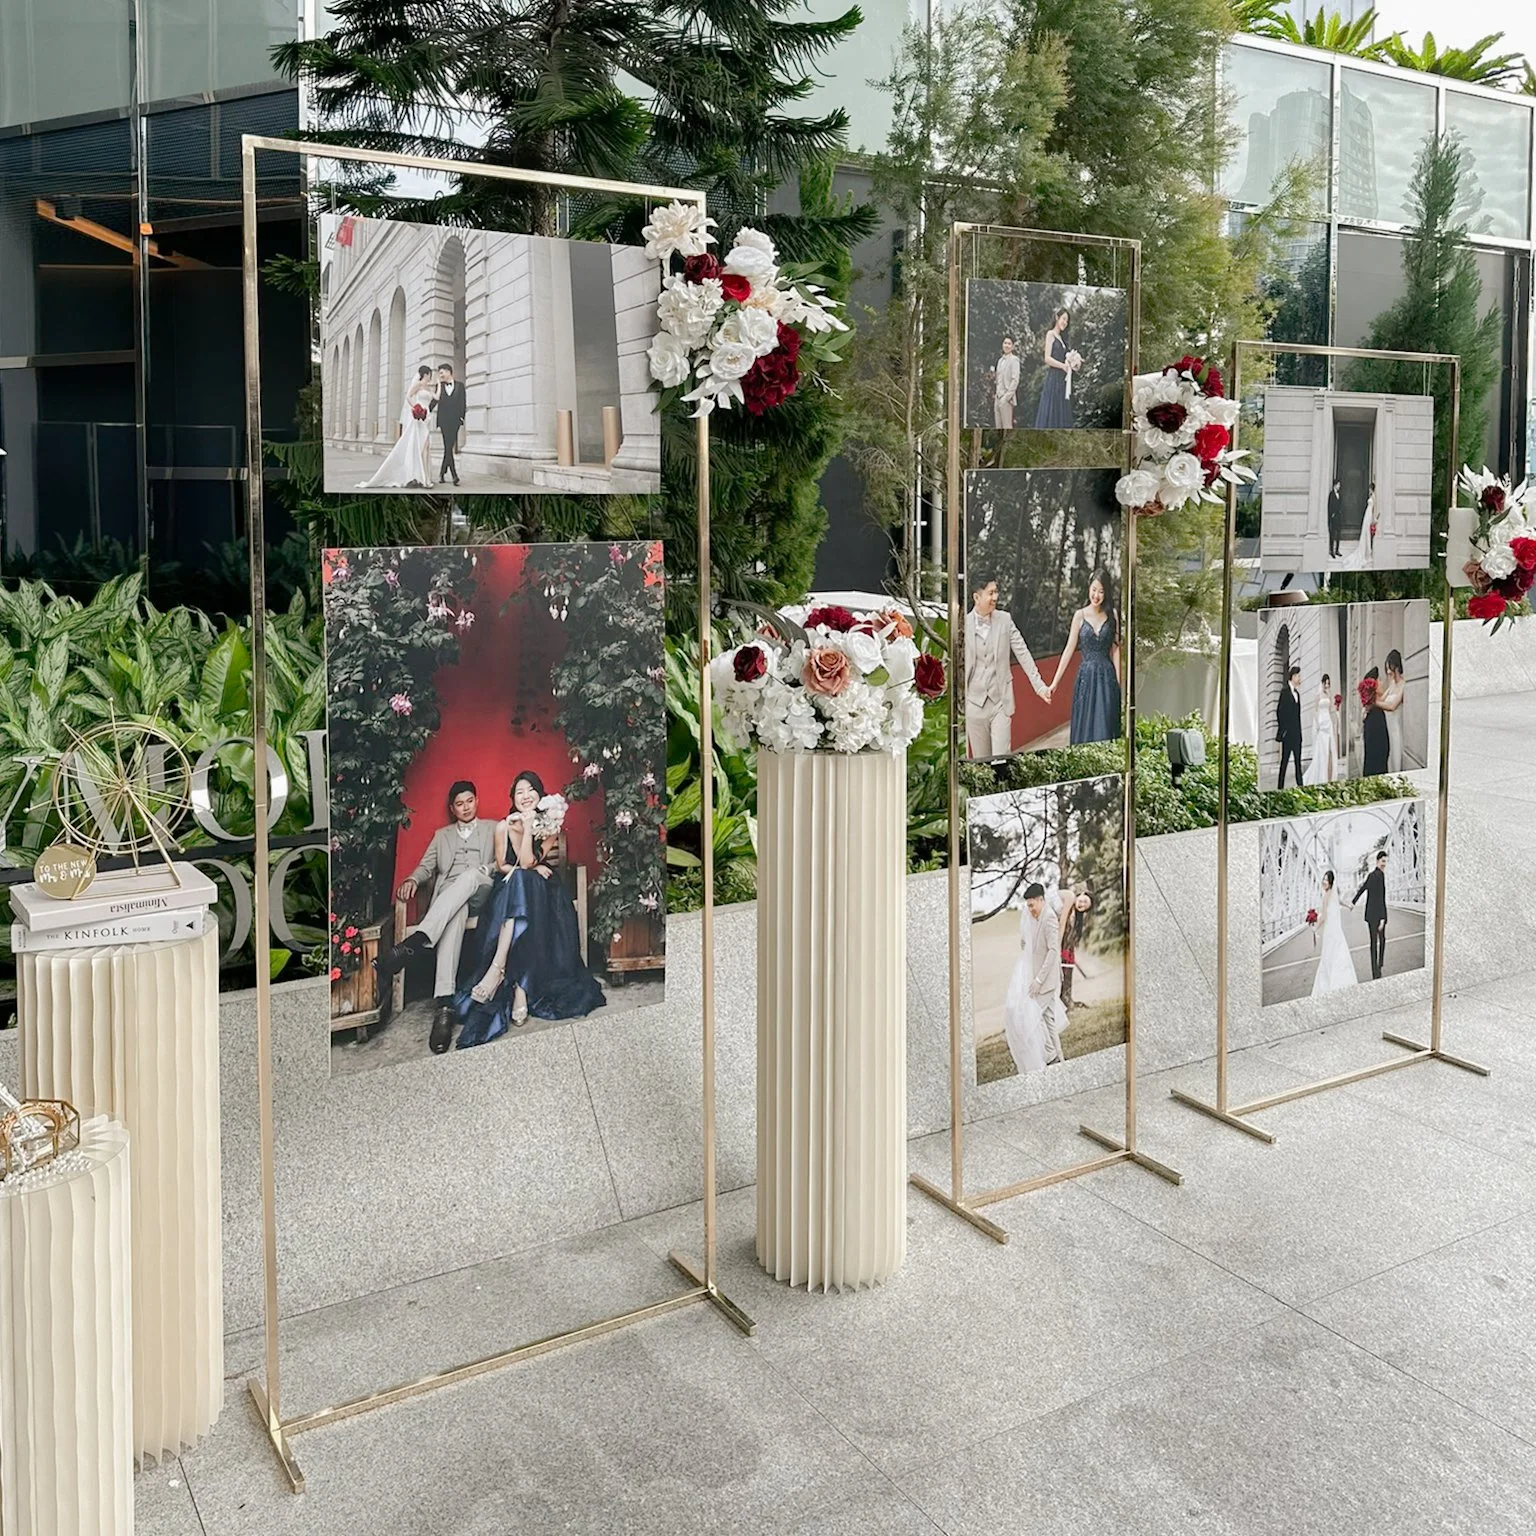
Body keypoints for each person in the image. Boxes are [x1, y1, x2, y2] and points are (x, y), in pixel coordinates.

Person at [452, 770, 606, 1049]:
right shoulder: (502, 826)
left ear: (540, 794)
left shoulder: (550, 827)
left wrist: (529, 827)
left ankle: (501, 973)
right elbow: (503, 866)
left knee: (525, 877)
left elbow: (527, 860)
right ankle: (519, 988)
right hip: (511, 892)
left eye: (531, 790)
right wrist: (527, 868)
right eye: (520, 792)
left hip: (544, 895)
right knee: (521, 879)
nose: (526, 796)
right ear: (512, 797)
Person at [373, 780, 497, 1055]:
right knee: (454, 915)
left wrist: (486, 868)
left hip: (481, 892)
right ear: (452, 809)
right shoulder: (442, 835)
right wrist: (412, 880)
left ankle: (414, 943)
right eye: (459, 804)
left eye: (469, 801)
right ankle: (444, 1006)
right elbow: (426, 866)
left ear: (476, 801)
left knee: (470, 877)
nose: (465, 807)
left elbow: (502, 860)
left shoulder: (492, 827)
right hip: (451, 903)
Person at [964, 578, 1049, 758]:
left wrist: (1039, 685)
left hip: (1000, 702)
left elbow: (1023, 653)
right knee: (981, 764)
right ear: (976, 597)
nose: (995, 597)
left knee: (1001, 760)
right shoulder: (963, 624)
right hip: (974, 703)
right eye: (990, 593)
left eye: (996, 592)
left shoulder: (1005, 620)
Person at [1045, 570, 1120, 746]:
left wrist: (1118, 682)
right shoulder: (1080, 615)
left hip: (1106, 677)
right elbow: (1069, 649)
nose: (1096, 595)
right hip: (1086, 678)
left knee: (1105, 724)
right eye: (1094, 589)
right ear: (1089, 588)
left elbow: (1116, 649)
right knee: (1085, 726)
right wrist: (1054, 683)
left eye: (1101, 591)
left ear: (1106, 592)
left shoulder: (1113, 615)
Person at [1001, 883, 1065, 1074]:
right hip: (1036, 977)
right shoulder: (1034, 918)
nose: (1030, 909)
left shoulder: (1050, 919)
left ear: (1041, 900)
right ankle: (1057, 1058)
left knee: (1029, 1019)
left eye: (1032, 905)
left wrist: (1039, 980)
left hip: (1046, 981)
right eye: (1027, 906)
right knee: (1049, 1020)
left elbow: (1054, 951)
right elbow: (1031, 945)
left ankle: (1046, 1057)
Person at [358, 365, 435, 488]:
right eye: (430, 374)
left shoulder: (429, 388)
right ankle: (423, 478)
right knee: (421, 446)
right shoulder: (418, 385)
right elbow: (409, 396)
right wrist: (417, 408)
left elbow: (435, 398)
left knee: (425, 447)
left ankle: (425, 477)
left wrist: (439, 386)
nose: (430, 376)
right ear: (426, 374)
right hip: (419, 418)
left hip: (427, 418)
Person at [1309, 869, 1359, 995]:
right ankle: (1343, 979)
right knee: (1339, 952)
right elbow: (1339, 901)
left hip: (1330, 930)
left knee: (1328, 955)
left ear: (1331, 882)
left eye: (1326, 879)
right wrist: (1348, 905)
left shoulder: (1326, 896)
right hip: (1336, 929)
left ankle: (1330, 983)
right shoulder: (1333, 893)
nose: (1324, 882)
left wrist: (1315, 927)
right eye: (1324, 879)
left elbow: (1324, 917)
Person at [1033, 309, 1076, 429]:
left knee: (1062, 411)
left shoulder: (1063, 339)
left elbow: (1066, 359)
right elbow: (1047, 358)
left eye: (1067, 321)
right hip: (1054, 378)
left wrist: (1074, 361)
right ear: (1057, 318)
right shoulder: (1050, 334)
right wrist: (1062, 366)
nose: (1065, 323)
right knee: (1052, 410)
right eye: (1063, 319)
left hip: (1063, 380)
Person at [1352, 850, 1390, 981]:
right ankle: (1379, 965)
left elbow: (1362, 888)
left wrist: (1353, 902)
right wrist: (1383, 918)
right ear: (1378, 861)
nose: (1385, 864)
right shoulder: (1380, 876)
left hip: (1370, 915)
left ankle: (1375, 968)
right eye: (1383, 861)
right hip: (1378, 915)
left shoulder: (1371, 875)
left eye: (1386, 861)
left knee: (1373, 942)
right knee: (1382, 940)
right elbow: (1381, 898)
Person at [431, 362, 466, 486]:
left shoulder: (460, 386)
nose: (440, 375)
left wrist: (462, 418)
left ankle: (442, 472)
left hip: (455, 421)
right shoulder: (439, 386)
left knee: (448, 448)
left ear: (448, 372)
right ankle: (454, 476)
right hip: (444, 421)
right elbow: (434, 401)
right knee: (448, 446)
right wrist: (424, 410)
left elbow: (463, 403)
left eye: (441, 372)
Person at [1059, 887, 1093, 1009]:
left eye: (1085, 906)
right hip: (1057, 943)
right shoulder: (1068, 900)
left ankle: (1066, 997)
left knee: (1067, 970)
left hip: (1065, 948)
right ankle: (1062, 999)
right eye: (1083, 900)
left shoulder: (1076, 917)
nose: (1082, 905)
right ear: (1082, 894)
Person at [1276, 663, 1304, 788]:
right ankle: (1279, 787)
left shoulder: (1297, 694)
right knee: (1284, 762)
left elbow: (1297, 716)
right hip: (1288, 735)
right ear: (1292, 676)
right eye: (1297, 675)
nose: (1299, 678)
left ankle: (1301, 786)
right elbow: (1280, 712)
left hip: (1297, 735)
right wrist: (1284, 730)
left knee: (1298, 763)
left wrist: (1300, 734)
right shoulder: (1285, 692)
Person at [1377, 647, 1405, 772]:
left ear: (1397, 667)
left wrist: (1374, 703)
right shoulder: (1392, 684)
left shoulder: (1403, 685)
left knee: (1395, 761)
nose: (1388, 671)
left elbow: (1392, 706)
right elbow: (1382, 699)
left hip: (1395, 731)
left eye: (1390, 668)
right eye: (1387, 668)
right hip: (1386, 730)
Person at [1361, 665, 1390, 776]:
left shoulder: (1372, 710)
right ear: (1375, 685)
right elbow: (1381, 749)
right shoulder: (1376, 714)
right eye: (1380, 680)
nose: (1382, 682)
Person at [1312, 673, 1341, 783]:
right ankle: (1321, 774)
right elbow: (1315, 710)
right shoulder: (1318, 695)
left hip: (1327, 722)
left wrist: (1336, 709)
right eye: (1326, 683)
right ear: (1322, 683)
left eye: (1329, 683)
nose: (1327, 685)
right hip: (1321, 722)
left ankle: (1329, 776)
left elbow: (1330, 710)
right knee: (1322, 749)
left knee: (1330, 749)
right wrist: (1317, 724)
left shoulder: (1329, 695)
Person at [993, 337, 1020, 429]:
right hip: (997, 397)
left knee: (1007, 426)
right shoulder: (1000, 361)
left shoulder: (1014, 360)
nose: (1007, 345)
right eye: (1005, 343)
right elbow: (998, 379)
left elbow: (1015, 380)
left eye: (1009, 344)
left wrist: (1006, 397)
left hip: (1006, 399)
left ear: (1012, 346)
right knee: (998, 426)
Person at [1326, 477, 1344, 560]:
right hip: (1333, 518)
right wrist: (1331, 515)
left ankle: (1337, 550)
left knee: (1338, 534)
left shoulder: (1339, 494)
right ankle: (1331, 550)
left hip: (1339, 517)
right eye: (1338, 484)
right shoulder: (1331, 494)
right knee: (1332, 535)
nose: (1339, 486)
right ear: (1335, 485)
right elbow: (1330, 505)